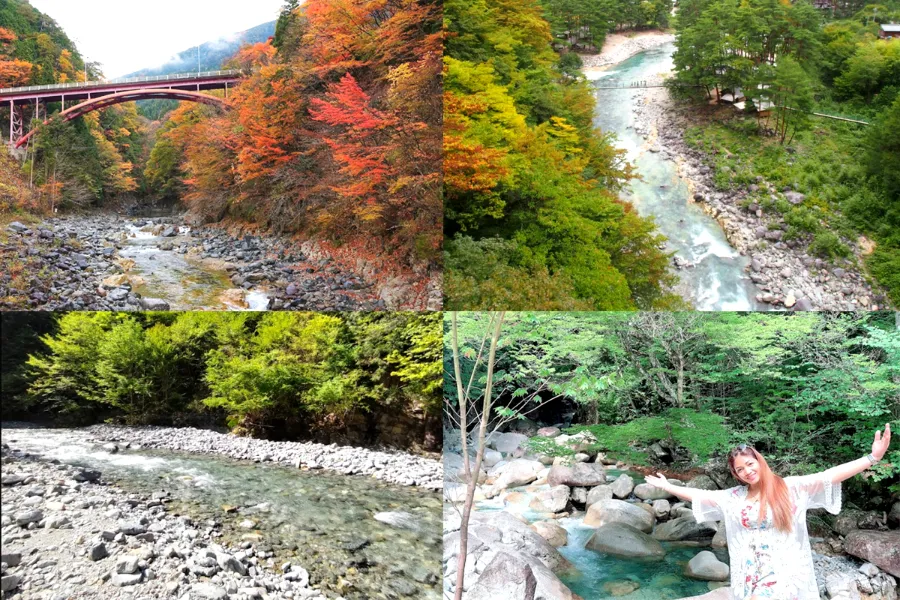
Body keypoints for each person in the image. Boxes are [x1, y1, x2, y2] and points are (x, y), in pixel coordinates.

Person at [645, 423, 892, 600]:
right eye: (740, 470)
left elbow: (829, 476)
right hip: (750, 570)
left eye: (749, 464)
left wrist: (871, 457)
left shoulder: (790, 487)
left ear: (759, 462)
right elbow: (701, 495)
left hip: (784, 570)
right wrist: (667, 486)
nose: (746, 471)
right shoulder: (734, 497)